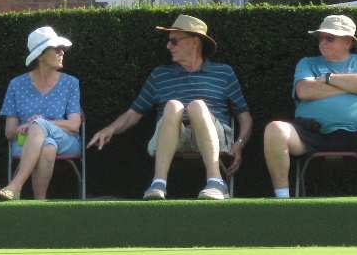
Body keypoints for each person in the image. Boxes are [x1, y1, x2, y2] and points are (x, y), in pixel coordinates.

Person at [87, 14, 252, 200]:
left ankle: (216, 182)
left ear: (195, 43)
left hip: (213, 135)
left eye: (174, 41)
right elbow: (133, 114)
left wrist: (239, 143)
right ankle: (158, 183)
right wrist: (109, 129)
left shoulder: (224, 73)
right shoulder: (160, 75)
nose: (168, 46)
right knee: (173, 105)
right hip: (172, 135)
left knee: (197, 106)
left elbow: (244, 117)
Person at [263, 14, 357, 198]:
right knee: (274, 128)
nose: (323, 42)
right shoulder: (308, 62)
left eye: (330, 38)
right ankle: (282, 200)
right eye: (321, 37)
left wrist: (328, 79)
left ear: (348, 42)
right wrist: (352, 87)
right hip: (312, 133)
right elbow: (304, 90)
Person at [0, 26, 82, 200]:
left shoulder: (71, 83)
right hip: (25, 142)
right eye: (56, 49)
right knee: (48, 146)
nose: (62, 52)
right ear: (40, 55)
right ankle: (39, 203)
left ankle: (15, 186)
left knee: (39, 125)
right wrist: (30, 129)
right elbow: (10, 134)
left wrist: (38, 124)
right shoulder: (16, 85)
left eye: (62, 49)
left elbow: (74, 126)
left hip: (66, 140)